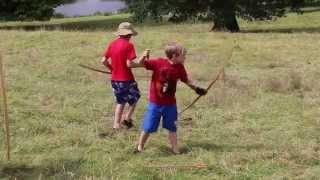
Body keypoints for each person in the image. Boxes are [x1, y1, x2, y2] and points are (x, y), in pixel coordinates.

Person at [128, 43, 207, 154]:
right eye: (183, 56)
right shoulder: (158, 62)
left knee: (172, 127)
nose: (185, 58)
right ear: (174, 56)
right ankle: (140, 146)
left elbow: (186, 80)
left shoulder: (180, 67)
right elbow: (140, 64)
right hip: (155, 104)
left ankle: (175, 149)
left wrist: (197, 89)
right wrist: (144, 56)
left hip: (170, 104)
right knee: (148, 126)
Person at [101, 22, 149, 130]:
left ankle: (121, 122)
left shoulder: (112, 44)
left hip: (115, 80)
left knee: (123, 100)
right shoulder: (129, 45)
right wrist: (140, 64)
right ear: (129, 35)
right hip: (126, 79)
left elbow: (103, 60)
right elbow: (129, 64)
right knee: (133, 98)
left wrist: (112, 69)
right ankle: (122, 121)